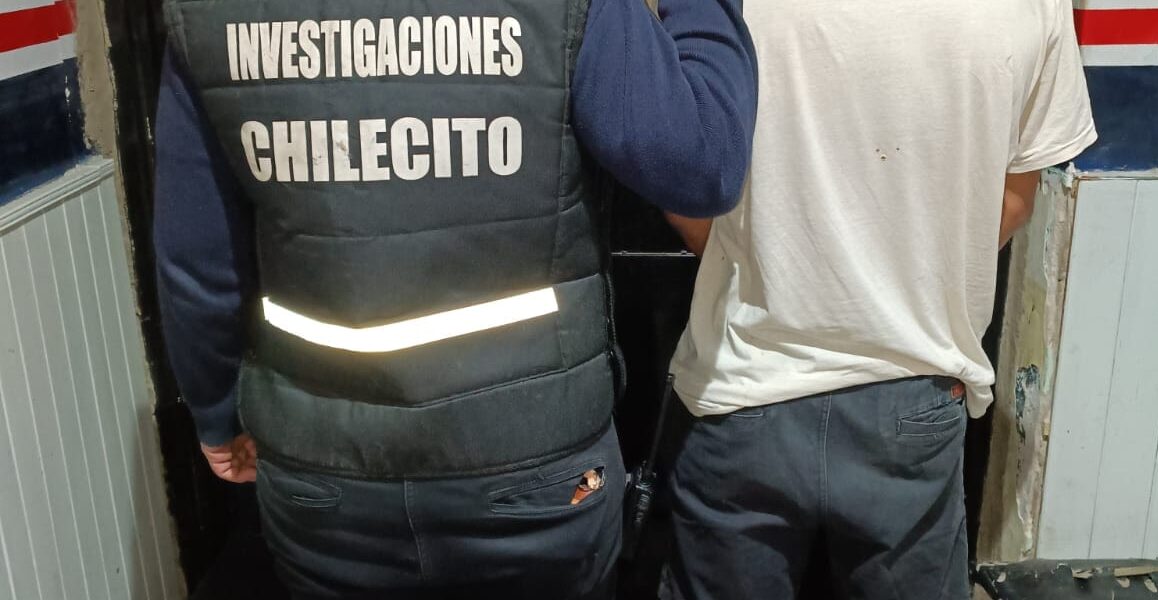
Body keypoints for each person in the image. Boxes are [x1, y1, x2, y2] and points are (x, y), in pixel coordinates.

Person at [151, 0, 756, 597]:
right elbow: (699, 163)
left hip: (326, 484)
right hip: (535, 476)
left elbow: (197, 260)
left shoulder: (208, 13)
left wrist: (215, 412)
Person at [663, 0, 1096, 598]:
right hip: (913, 398)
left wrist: (768, 263)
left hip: (742, 389)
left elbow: (681, 184)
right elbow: (1016, 199)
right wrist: (918, 274)